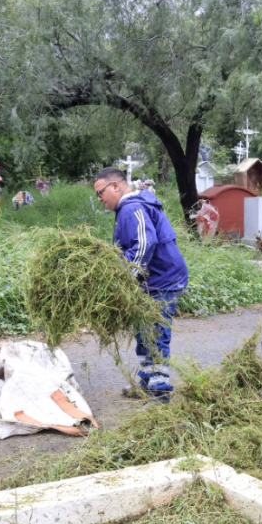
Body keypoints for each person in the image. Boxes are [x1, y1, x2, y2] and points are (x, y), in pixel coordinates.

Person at [93, 167, 189, 402]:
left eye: (100, 192)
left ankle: (160, 390)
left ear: (115, 186)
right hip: (150, 280)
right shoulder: (127, 209)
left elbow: (145, 243)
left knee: (155, 332)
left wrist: (126, 278)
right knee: (143, 331)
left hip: (163, 278)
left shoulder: (132, 207)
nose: (99, 199)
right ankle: (147, 382)